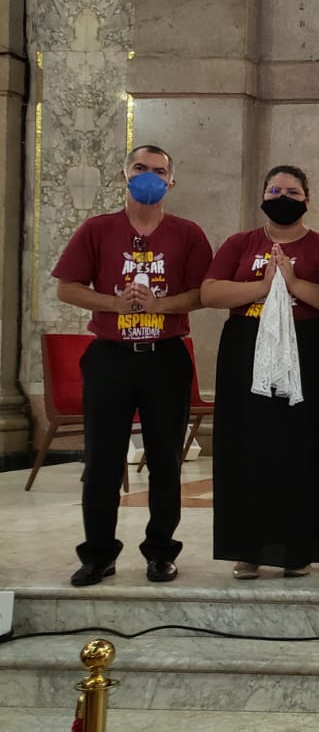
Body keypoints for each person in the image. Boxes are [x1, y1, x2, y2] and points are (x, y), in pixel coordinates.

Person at [53, 145, 213, 586]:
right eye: (140, 168)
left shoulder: (187, 233)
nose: (149, 177)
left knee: (165, 460)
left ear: (171, 182)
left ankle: (161, 552)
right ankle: (97, 554)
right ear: (124, 175)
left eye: (159, 171)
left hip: (165, 357)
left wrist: (161, 306)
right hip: (112, 357)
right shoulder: (97, 229)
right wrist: (113, 302)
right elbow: (67, 287)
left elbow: (204, 292)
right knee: (103, 461)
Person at [202, 165, 319, 580]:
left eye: (292, 192)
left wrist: (293, 283)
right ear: (262, 194)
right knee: (249, 448)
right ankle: (248, 548)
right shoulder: (241, 243)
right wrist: (261, 287)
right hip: (248, 349)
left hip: (309, 350)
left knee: (304, 448)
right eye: (274, 189)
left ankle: (299, 547)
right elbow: (211, 291)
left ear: (307, 199)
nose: (283, 197)